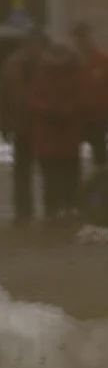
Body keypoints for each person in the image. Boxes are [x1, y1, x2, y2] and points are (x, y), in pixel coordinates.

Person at [27, 40, 87, 222]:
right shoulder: (42, 74)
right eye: (56, 53)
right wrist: (46, 109)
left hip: (68, 133)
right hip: (47, 135)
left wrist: (66, 111)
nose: (58, 58)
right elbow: (32, 97)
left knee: (70, 172)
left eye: (62, 53)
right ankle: (52, 209)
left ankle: (70, 205)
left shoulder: (76, 73)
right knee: (50, 175)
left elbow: (82, 96)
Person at [0, 26, 44, 224]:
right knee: (22, 167)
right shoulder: (13, 65)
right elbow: (4, 95)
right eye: (31, 43)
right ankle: (23, 208)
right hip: (21, 123)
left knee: (47, 165)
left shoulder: (45, 63)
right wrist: (5, 122)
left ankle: (49, 205)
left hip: (43, 123)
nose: (33, 47)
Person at [72, 23, 108, 167]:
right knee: (73, 160)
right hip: (77, 119)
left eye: (84, 37)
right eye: (78, 38)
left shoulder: (105, 60)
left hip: (100, 119)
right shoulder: (72, 62)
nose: (82, 42)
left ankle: (101, 186)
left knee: (101, 159)